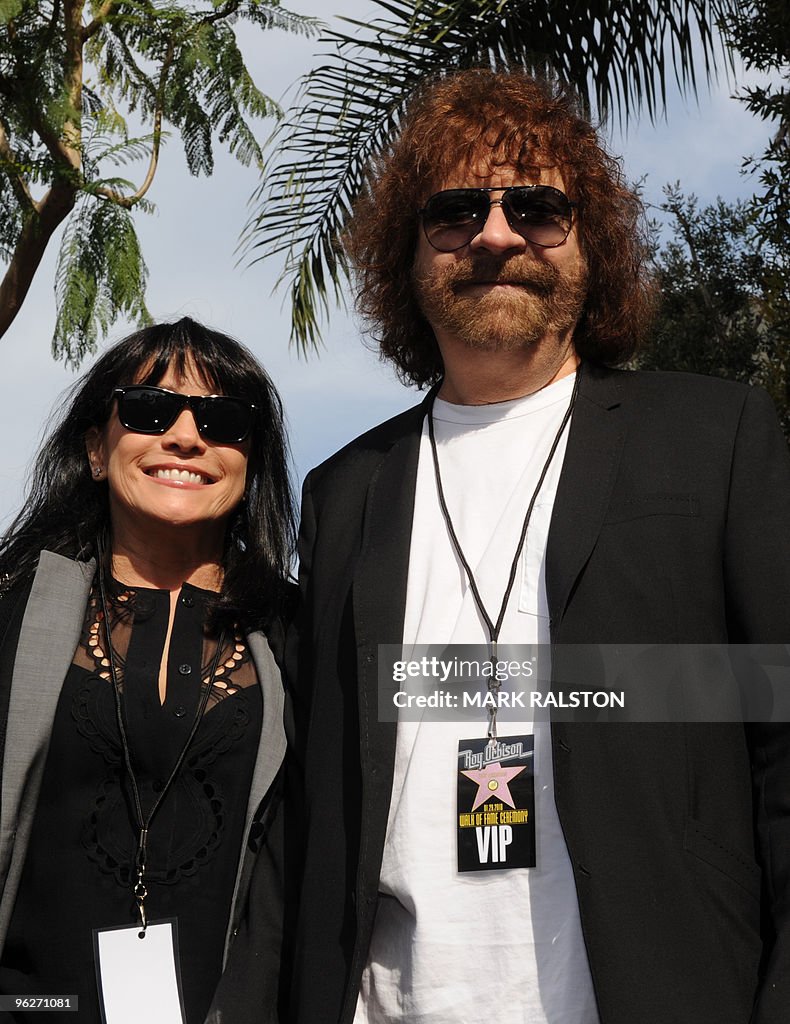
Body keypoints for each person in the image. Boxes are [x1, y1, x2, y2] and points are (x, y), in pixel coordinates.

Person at [251, 69, 790, 1024]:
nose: (495, 235)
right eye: (456, 211)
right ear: (406, 254)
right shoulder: (344, 492)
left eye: (537, 207)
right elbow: (313, 797)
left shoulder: (716, 440)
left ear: (592, 243)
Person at [0, 317, 294, 1023]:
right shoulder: (10, 614)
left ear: (250, 463)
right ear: (97, 449)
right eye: (149, 410)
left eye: (224, 420)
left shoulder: (303, 639)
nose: (186, 437)